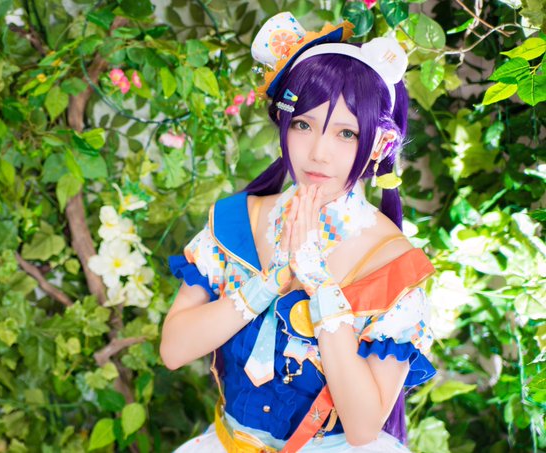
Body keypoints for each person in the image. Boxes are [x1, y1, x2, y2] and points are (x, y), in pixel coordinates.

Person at [161, 12, 436, 452]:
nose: (318, 152)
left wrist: (320, 284)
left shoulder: (393, 266)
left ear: (379, 146)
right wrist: (269, 282)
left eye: (346, 133)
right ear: (283, 124)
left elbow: (363, 428)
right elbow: (174, 350)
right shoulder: (235, 221)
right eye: (304, 125)